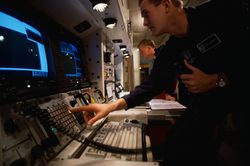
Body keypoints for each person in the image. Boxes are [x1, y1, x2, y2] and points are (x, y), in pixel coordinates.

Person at [70, 0, 247, 165]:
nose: (145, 22)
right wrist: (110, 107)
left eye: (146, 14)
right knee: (175, 143)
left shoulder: (221, 12)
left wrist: (217, 80)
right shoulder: (171, 50)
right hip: (210, 107)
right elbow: (151, 86)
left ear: (166, 5)